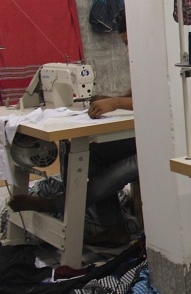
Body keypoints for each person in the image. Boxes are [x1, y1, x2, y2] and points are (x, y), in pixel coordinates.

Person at [8, 13, 138, 246]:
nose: (127, 50)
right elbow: (136, 95)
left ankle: (58, 204)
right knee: (93, 154)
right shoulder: (142, 61)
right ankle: (115, 228)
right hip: (144, 134)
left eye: (129, 43)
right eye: (126, 44)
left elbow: (157, 102)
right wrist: (111, 98)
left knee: (125, 167)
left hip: (166, 146)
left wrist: (115, 103)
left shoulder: (160, 57)